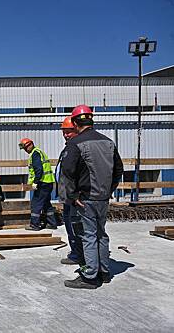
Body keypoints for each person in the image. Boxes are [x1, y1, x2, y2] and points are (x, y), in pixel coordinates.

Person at [62, 105, 123, 289]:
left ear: (74, 122)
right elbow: (118, 169)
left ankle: (90, 276)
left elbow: (67, 171)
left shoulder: (76, 144)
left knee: (88, 235)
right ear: (91, 120)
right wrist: (109, 190)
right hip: (102, 197)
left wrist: (72, 195)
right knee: (101, 234)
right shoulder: (108, 142)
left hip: (86, 198)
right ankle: (104, 272)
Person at [56, 116, 84, 265]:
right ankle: (75, 252)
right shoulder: (68, 147)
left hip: (73, 197)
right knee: (69, 224)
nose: (66, 135)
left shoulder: (77, 148)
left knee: (75, 225)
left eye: (69, 132)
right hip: (67, 195)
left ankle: (78, 255)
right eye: (64, 132)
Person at [19, 138, 57, 231]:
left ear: (30, 145)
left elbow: (38, 169)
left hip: (42, 183)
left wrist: (35, 182)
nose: (25, 150)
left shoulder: (35, 154)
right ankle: (52, 223)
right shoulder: (39, 152)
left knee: (36, 204)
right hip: (48, 182)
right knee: (46, 203)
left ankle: (34, 225)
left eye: (25, 147)